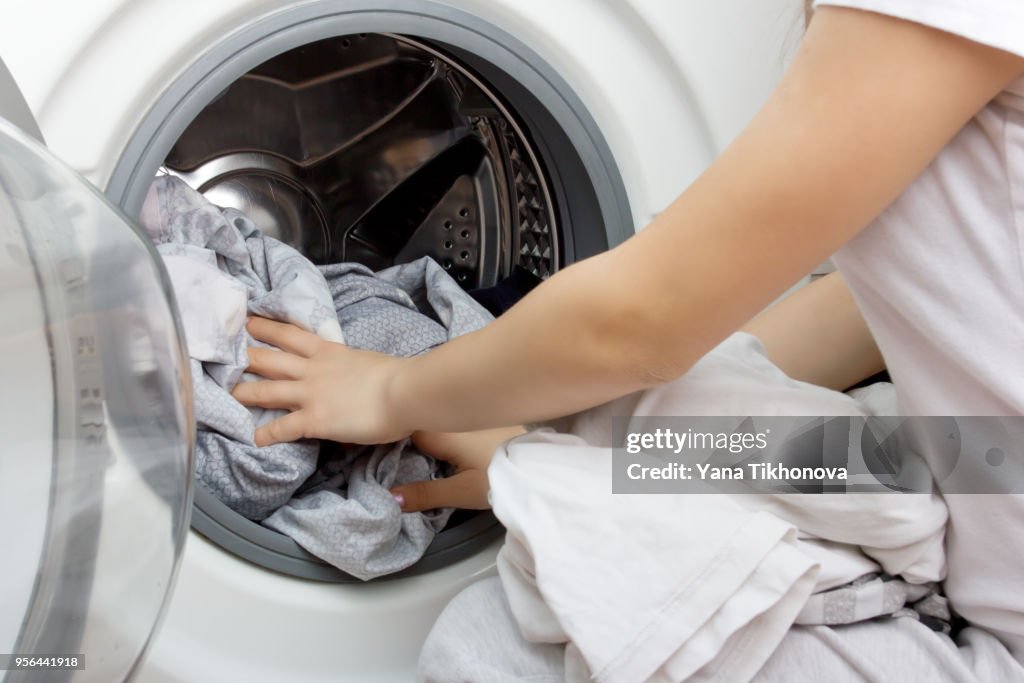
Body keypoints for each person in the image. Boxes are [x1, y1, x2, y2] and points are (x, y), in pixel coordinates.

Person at [232, 1, 1024, 680]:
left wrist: (394, 389)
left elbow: (644, 320)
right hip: (978, 465)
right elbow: (887, 313)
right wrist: (565, 440)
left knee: (505, 646)